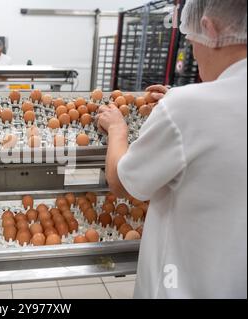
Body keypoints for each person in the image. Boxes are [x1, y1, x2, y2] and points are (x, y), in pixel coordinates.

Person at [98, 0, 247, 299]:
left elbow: (121, 181)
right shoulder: (188, 106)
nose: (193, 51)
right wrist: (181, 103)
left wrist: (117, 129)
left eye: (191, 41)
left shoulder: (186, 109)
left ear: (209, 29)